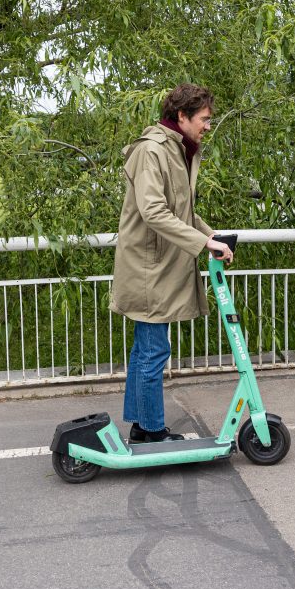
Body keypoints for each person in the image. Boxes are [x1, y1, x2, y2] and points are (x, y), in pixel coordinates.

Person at [110, 83, 233, 443]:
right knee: (153, 350)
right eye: (204, 119)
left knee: (144, 348)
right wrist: (203, 242)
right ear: (182, 116)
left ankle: (140, 424)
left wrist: (212, 237)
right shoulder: (152, 151)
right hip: (150, 269)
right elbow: (154, 212)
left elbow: (183, 212)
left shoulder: (180, 150)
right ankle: (151, 431)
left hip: (159, 266)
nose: (208, 126)